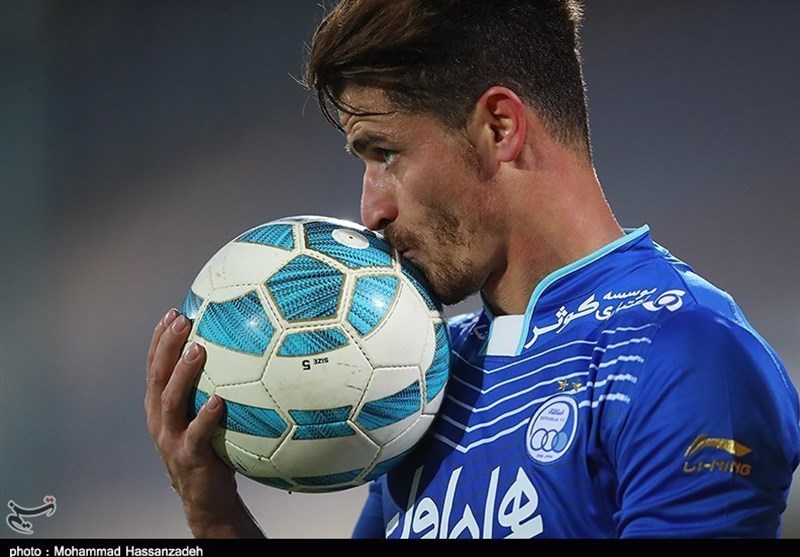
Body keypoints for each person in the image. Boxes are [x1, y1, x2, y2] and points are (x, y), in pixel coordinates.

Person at [145, 0, 800, 538]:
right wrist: (215, 514)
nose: (371, 210)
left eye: (385, 154)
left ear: (499, 127)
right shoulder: (423, 378)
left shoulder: (684, 357)